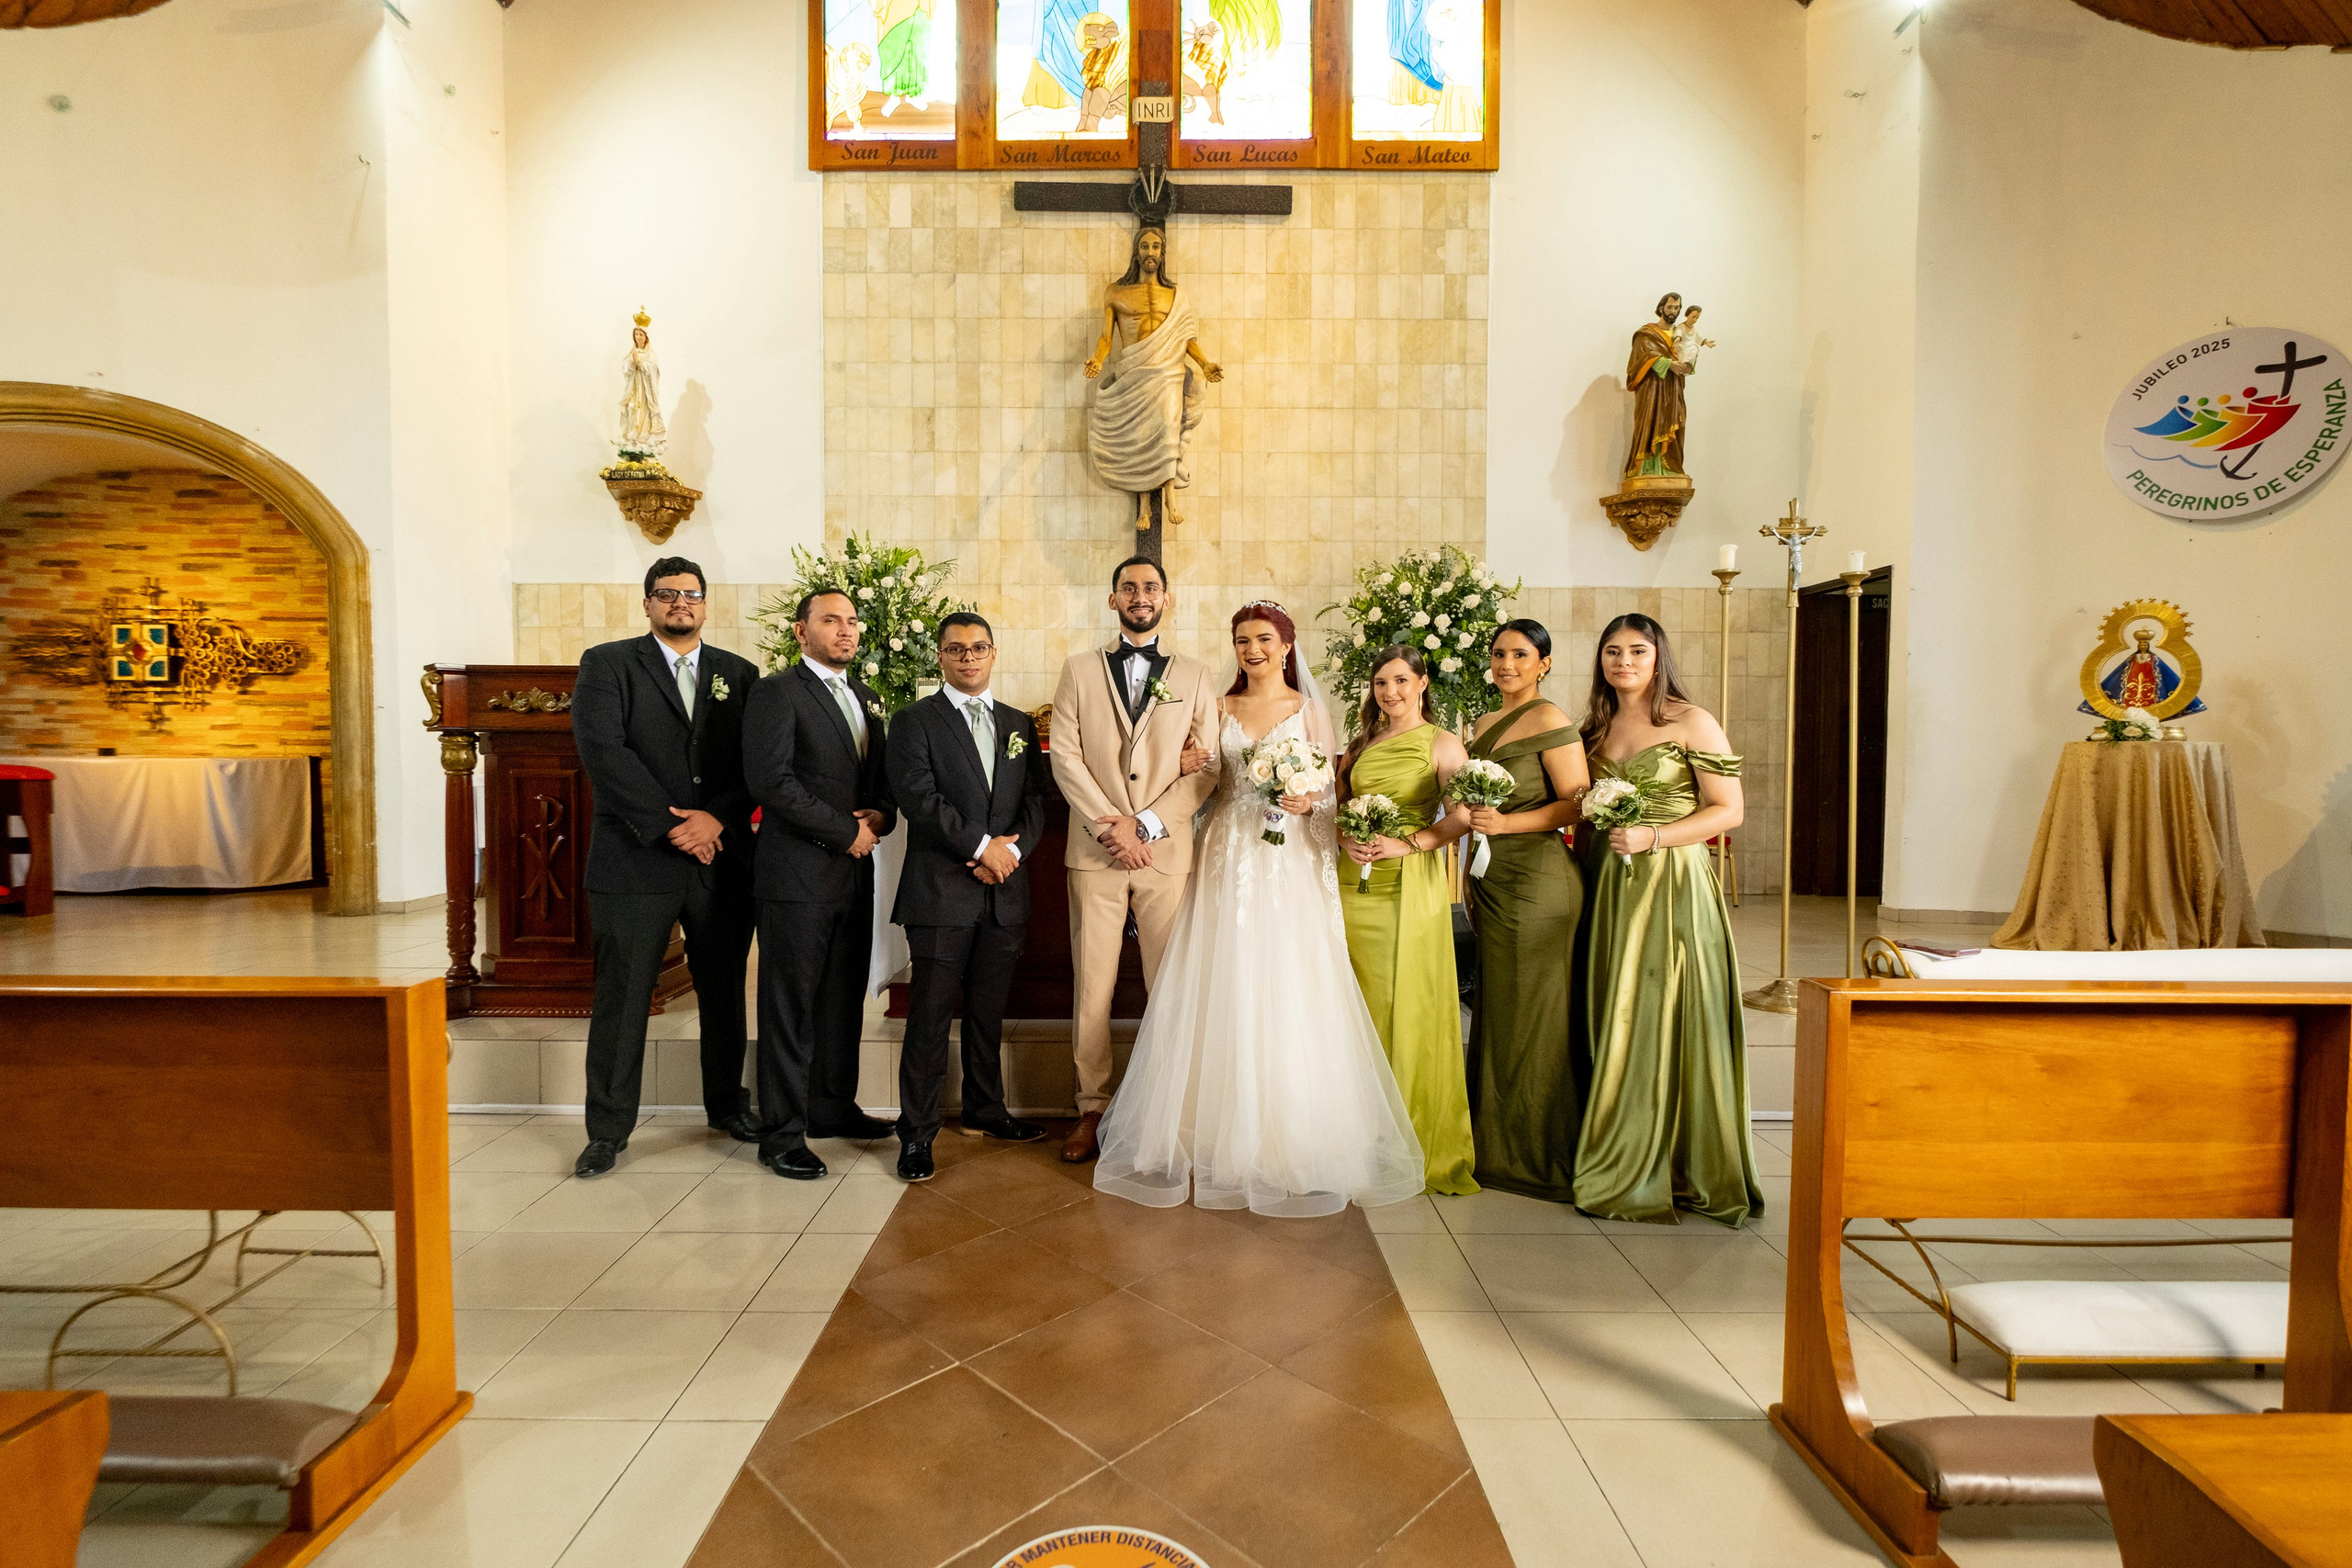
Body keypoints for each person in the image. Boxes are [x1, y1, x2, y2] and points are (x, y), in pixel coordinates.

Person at [1094, 603, 1424, 1216]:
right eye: (1242, 639)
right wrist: (1187, 762)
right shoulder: (1216, 708)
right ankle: (1211, 1132)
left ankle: (1290, 1135)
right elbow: (1194, 784)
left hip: (1289, 859)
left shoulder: (1311, 711)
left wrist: (1309, 801)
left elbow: (1331, 789)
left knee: (1287, 980)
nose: (1252, 650)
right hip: (1226, 850)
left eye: (1264, 639)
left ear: (1286, 643)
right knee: (1222, 975)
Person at [566, 558, 763, 1179]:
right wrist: (673, 824)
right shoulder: (608, 664)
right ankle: (607, 1129)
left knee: (726, 990)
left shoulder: (740, 672)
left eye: (691, 594)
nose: (681, 603)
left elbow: (751, 763)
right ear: (648, 603)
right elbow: (603, 751)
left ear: (706, 605)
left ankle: (727, 1105)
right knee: (622, 996)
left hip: (718, 860)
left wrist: (716, 820)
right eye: (668, 594)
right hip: (635, 856)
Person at [1573, 613, 1763, 1227]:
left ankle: (1678, 1162)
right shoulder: (1595, 728)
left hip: (1672, 883)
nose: (1623, 660)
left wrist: (1655, 835)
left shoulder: (1691, 719)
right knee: (1616, 1009)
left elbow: (1728, 810)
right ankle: (1616, 1138)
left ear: (1658, 657)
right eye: (1612, 650)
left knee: (1664, 1006)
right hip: (1608, 882)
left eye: (1636, 650)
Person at [1048, 556, 1218, 1165]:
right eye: (1130, 587)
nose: (1140, 595)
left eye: (1151, 587)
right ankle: (1090, 1107)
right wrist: (1109, 827)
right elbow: (1065, 757)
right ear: (1113, 598)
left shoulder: (1197, 676)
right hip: (1095, 853)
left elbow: (1209, 766)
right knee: (1092, 986)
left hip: (1165, 854)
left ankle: (1165, 1111)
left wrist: (1144, 824)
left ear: (1166, 600)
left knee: (1166, 985)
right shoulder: (1077, 670)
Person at [881, 612, 1048, 1181]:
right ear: (941, 657)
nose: (969, 658)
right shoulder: (913, 722)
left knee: (987, 1012)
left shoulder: (1018, 722)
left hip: (1004, 891)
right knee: (929, 1016)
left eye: (979, 648)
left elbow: (1035, 801)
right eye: (957, 650)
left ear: (994, 653)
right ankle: (917, 1134)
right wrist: (982, 848)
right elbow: (918, 799)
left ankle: (985, 1108)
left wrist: (1012, 852)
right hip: (940, 892)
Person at [742, 589, 899, 1180]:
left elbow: (877, 783)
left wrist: (880, 817)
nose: (846, 630)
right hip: (795, 875)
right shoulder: (777, 693)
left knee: (840, 998)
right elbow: (770, 780)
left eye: (852, 621)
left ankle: (831, 1106)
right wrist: (843, 831)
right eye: (831, 620)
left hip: (852, 875)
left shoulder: (865, 696)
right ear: (801, 631)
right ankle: (780, 1132)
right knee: (790, 1005)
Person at [1340, 644, 1478, 1197]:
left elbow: (1464, 815)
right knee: (1358, 1005)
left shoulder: (1443, 743)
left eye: (1401, 681)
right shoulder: (1362, 742)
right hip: (1352, 883)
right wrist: (1347, 837)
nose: (1390, 693)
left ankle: (1412, 1139)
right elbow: (1339, 804)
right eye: (1380, 684)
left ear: (1422, 683)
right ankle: (1355, 1134)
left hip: (1408, 883)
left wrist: (1410, 843)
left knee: (1406, 1003)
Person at [1463, 620, 1589, 1204]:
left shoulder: (1551, 720)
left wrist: (1508, 823)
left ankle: (1536, 1153)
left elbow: (1577, 804)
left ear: (1543, 662)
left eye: (1520, 654)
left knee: (1536, 1013)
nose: (1506, 664)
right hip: (1491, 879)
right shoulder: (1485, 721)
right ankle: (1492, 1142)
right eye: (1498, 653)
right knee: (1499, 1006)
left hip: (1538, 880)